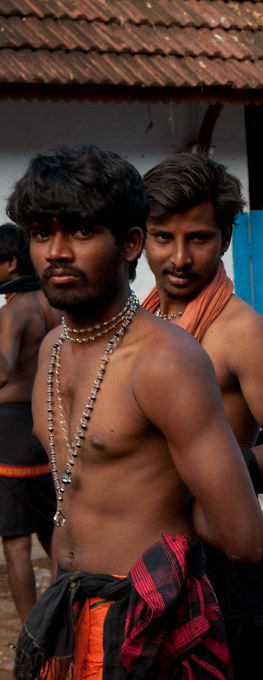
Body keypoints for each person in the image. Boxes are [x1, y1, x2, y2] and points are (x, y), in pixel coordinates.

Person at [6, 145, 263, 680]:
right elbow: (71, 499)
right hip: (68, 613)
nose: (57, 252)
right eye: (41, 233)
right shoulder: (53, 349)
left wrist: (170, 536)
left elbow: (243, 538)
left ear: (129, 243)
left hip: (147, 630)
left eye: (82, 232)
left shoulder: (165, 361)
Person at [141, 152, 263, 679]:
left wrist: (209, 469)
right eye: (162, 237)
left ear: (224, 239)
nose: (179, 257)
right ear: (139, 239)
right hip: (148, 559)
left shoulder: (243, 333)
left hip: (222, 565)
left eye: (198, 238)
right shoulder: (139, 327)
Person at [0, 223, 59, 626]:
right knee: (53, 532)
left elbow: (3, 370)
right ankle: (65, 624)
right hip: (48, 424)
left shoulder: (13, 311)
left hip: (11, 436)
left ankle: (32, 638)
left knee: (17, 544)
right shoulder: (55, 304)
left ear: (9, 263)